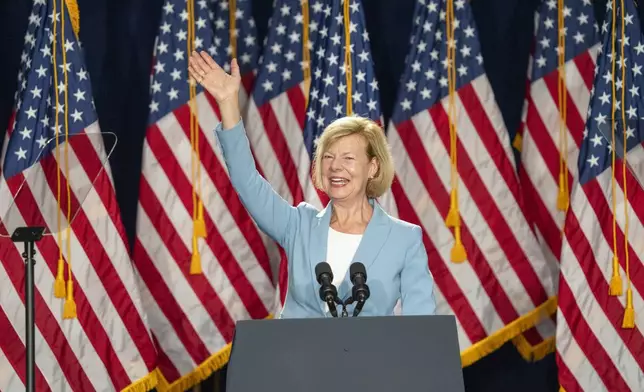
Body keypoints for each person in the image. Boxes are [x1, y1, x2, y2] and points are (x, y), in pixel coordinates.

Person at [188, 50, 436, 318]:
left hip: (372, 359)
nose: (335, 166)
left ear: (373, 167)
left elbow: (420, 327)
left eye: (348, 158)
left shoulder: (404, 238)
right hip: (295, 358)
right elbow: (247, 182)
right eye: (328, 157)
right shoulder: (298, 225)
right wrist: (228, 103)